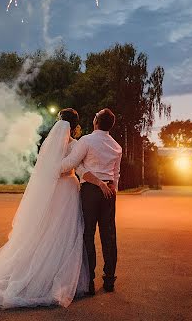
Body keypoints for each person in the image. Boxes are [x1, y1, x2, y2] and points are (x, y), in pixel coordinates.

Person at [0, 108, 107, 309]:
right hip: (68, 189)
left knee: (48, 229)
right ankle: (57, 274)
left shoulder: (52, 144)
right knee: (65, 232)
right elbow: (75, 167)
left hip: (54, 192)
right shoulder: (76, 145)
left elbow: (47, 168)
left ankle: (44, 269)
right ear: (76, 125)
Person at [60, 108, 122, 295]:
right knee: (109, 236)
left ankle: (89, 282)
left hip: (90, 191)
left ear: (96, 121)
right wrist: (113, 188)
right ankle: (109, 279)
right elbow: (117, 173)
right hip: (109, 191)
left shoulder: (86, 140)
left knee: (88, 234)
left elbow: (71, 163)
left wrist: (50, 166)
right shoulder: (117, 146)